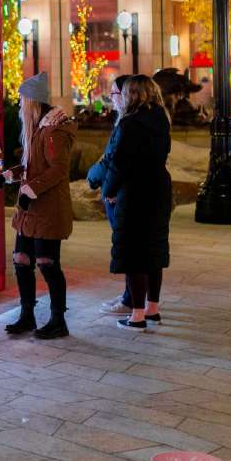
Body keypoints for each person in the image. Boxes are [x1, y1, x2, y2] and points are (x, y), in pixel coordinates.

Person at [2, 72, 76, 340]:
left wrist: (29, 191)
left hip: (47, 209)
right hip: (31, 210)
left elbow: (58, 170)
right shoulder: (38, 129)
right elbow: (35, 166)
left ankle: (58, 320)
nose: (20, 105)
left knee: (47, 262)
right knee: (21, 260)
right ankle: (27, 315)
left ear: (34, 101)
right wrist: (11, 174)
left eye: (23, 99)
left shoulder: (53, 131)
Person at [97, 75, 173, 332]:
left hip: (136, 191)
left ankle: (137, 315)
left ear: (133, 95)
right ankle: (153, 308)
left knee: (134, 254)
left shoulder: (128, 125)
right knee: (154, 250)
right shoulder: (161, 119)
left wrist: (108, 190)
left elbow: (119, 164)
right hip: (159, 189)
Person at [90, 75, 136, 317]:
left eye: (114, 93)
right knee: (135, 250)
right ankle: (133, 296)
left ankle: (132, 300)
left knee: (130, 250)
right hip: (121, 193)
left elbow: (114, 161)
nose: (111, 98)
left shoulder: (128, 124)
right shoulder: (131, 121)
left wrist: (104, 186)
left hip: (121, 196)